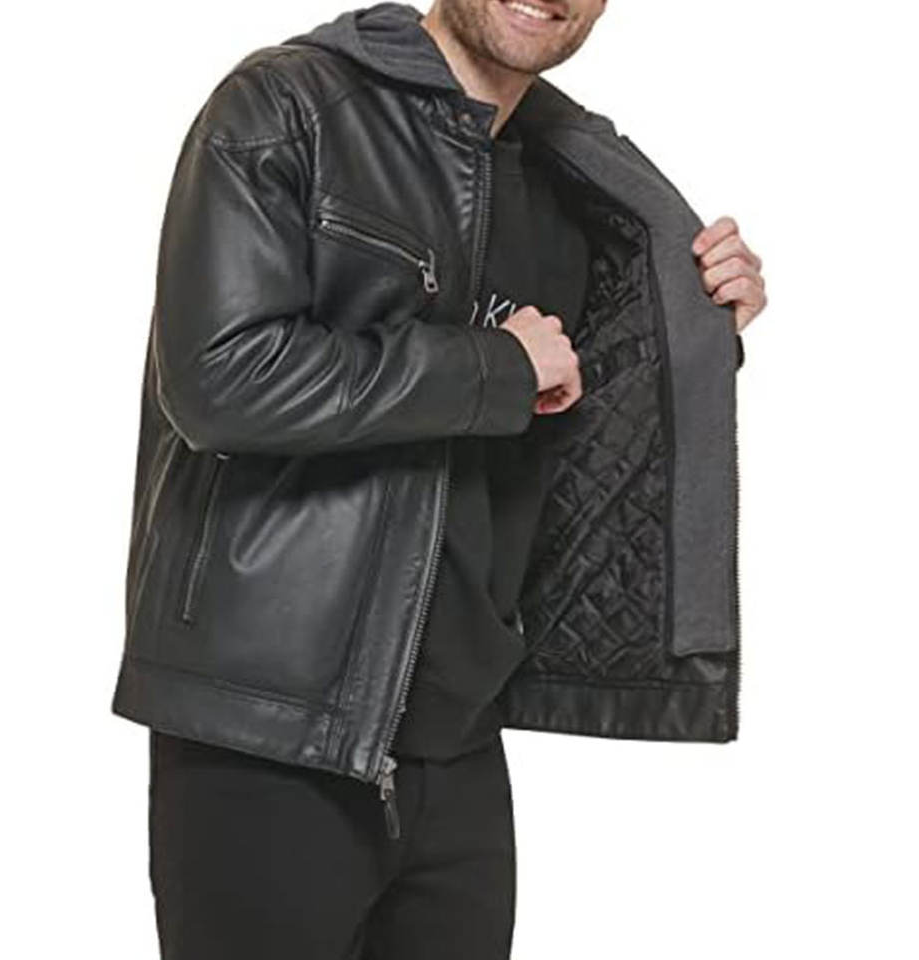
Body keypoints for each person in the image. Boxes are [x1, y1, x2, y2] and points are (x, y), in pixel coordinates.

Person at [112, 2, 766, 957]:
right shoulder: (288, 105)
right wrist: (494, 367)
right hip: (267, 729)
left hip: (458, 741)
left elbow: (570, 427)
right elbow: (219, 381)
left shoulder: (570, 180)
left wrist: (693, 326)